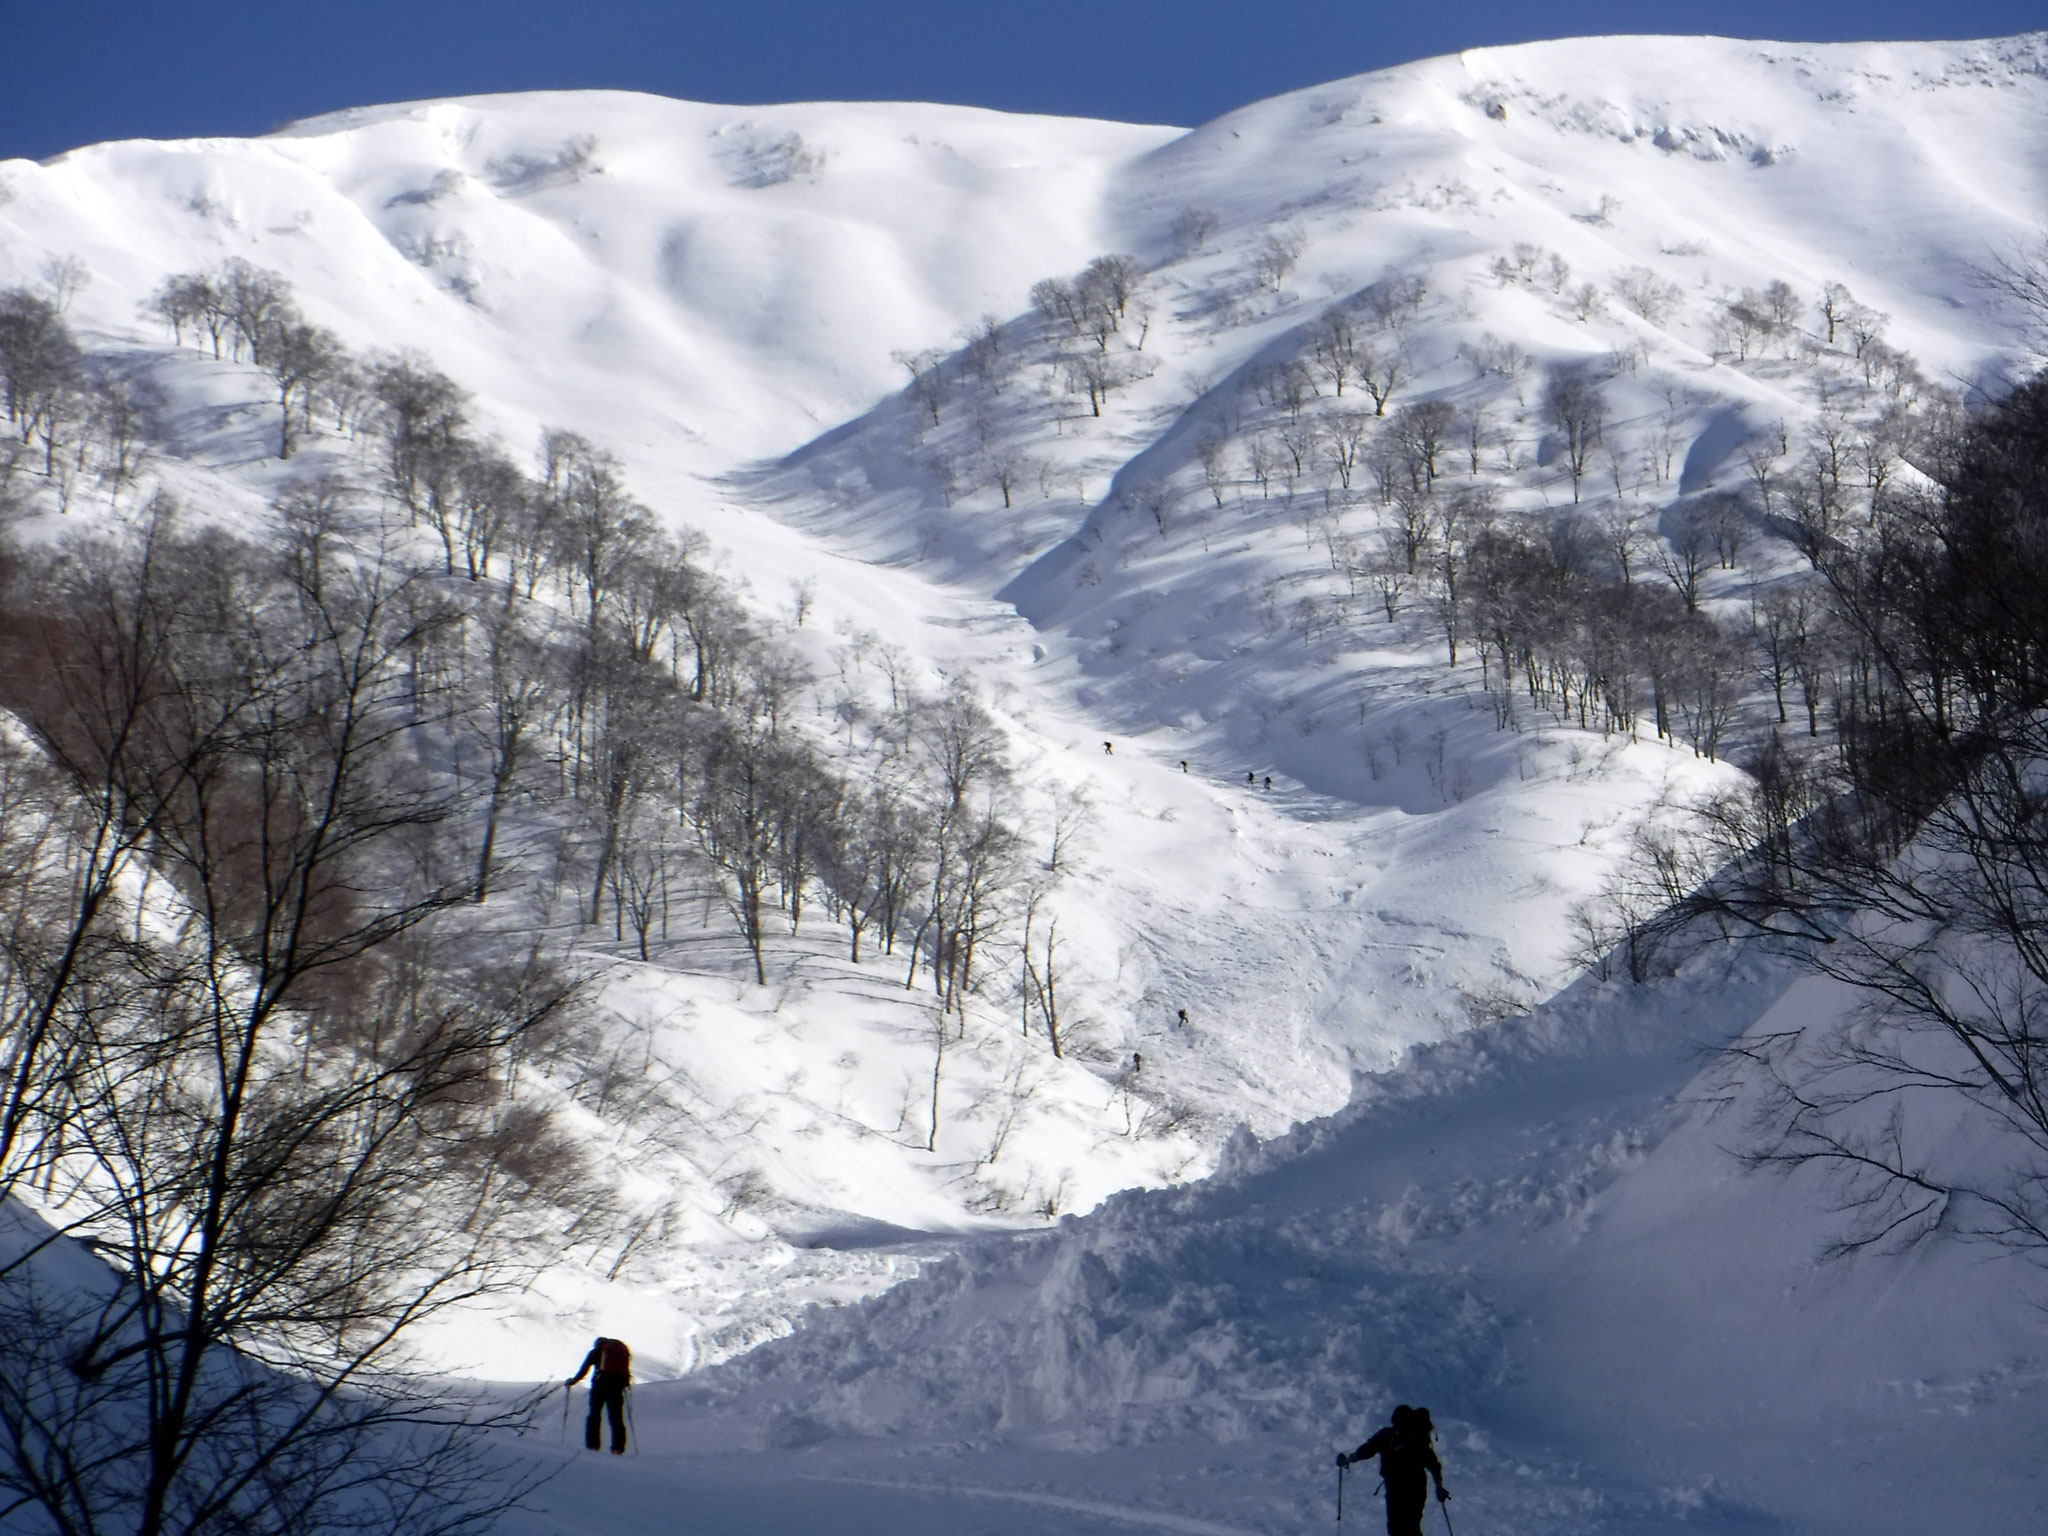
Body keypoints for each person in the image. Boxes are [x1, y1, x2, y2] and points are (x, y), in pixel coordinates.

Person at [1337, 1404, 1448, 1535]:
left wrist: (1349, 1459)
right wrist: (1438, 1485)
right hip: (1416, 1487)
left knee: (1397, 1528)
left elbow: (1366, 1451)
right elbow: (1433, 1464)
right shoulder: (1418, 1441)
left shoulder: (1387, 1435)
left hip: (1395, 1488)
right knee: (1411, 1526)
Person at [567, 1335, 632, 1454]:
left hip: (600, 1386)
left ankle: (593, 1446)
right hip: (617, 1388)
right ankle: (618, 1448)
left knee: (594, 1416)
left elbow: (584, 1370)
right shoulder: (620, 1351)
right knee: (616, 1418)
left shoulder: (596, 1352)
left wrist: (573, 1381)